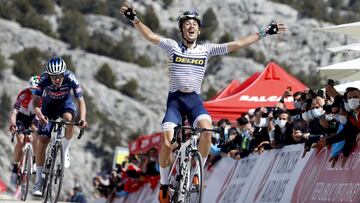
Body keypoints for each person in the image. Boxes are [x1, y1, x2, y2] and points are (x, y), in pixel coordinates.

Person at [120, 2, 285, 202]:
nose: (191, 26)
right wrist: (134, 19)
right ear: (182, 29)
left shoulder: (207, 50)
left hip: (194, 102)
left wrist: (265, 31)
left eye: (194, 24)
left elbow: (238, 44)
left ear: (199, 29)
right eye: (187, 24)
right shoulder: (173, 47)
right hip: (175, 103)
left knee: (207, 132)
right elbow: (150, 36)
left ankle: (197, 172)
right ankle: (164, 185)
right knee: (166, 142)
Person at [31, 56, 88, 196]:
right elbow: (36, 100)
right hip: (48, 106)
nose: (57, 80)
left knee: (69, 119)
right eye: (54, 77)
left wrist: (83, 119)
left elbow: (81, 101)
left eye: (60, 76)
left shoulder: (70, 77)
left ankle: (65, 148)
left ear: (64, 73)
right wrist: (39, 114)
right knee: (42, 141)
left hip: (65, 103)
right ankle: (38, 182)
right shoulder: (43, 79)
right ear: (49, 75)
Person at [8, 75, 40, 185]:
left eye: (38, 90)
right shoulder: (23, 94)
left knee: (37, 134)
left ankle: (35, 161)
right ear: (29, 88)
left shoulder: (42, 97)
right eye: (33, 90)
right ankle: (14, 169)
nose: (35, 93)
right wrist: (13, 123)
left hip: (34, 117)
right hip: (21, 117)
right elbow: (14, 112)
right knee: (21, 140)